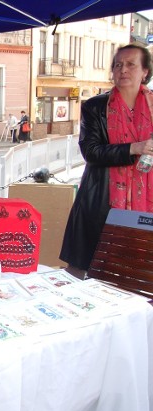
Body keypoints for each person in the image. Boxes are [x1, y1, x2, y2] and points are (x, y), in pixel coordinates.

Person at [60, 44, 153, 276]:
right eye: (118, 65)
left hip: (147, 198)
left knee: (139, 273)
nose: (123, 69)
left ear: (145, 72)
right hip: (102, 198)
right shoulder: (95, 107)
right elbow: (91, 152)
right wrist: (135, 148)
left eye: (131, 64)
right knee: (88, 269)